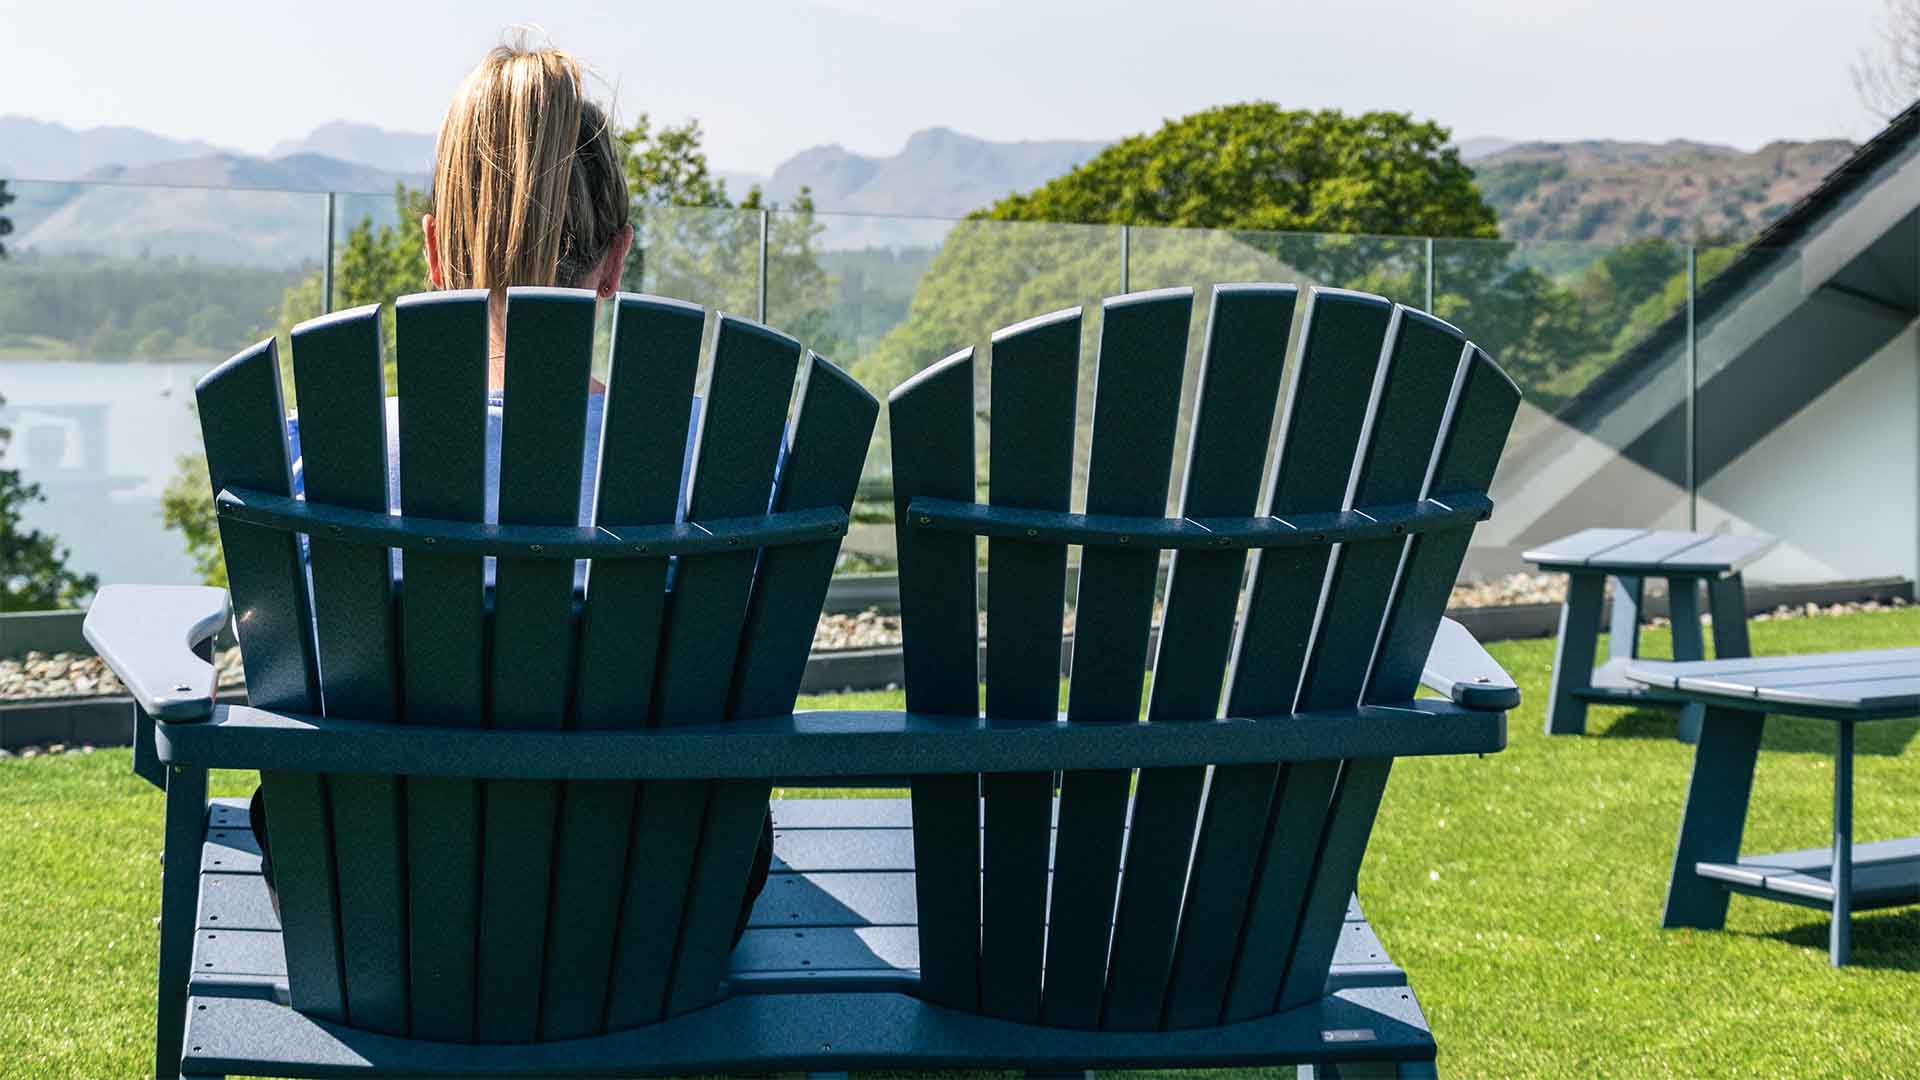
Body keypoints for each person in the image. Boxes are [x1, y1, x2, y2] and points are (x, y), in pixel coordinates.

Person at [251, 35, 774, 946]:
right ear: (616, 261)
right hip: (652, 914)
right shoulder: (720, 459)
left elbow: (294, 688)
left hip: (385, 905)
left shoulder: (329, 457)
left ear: (434, 255)